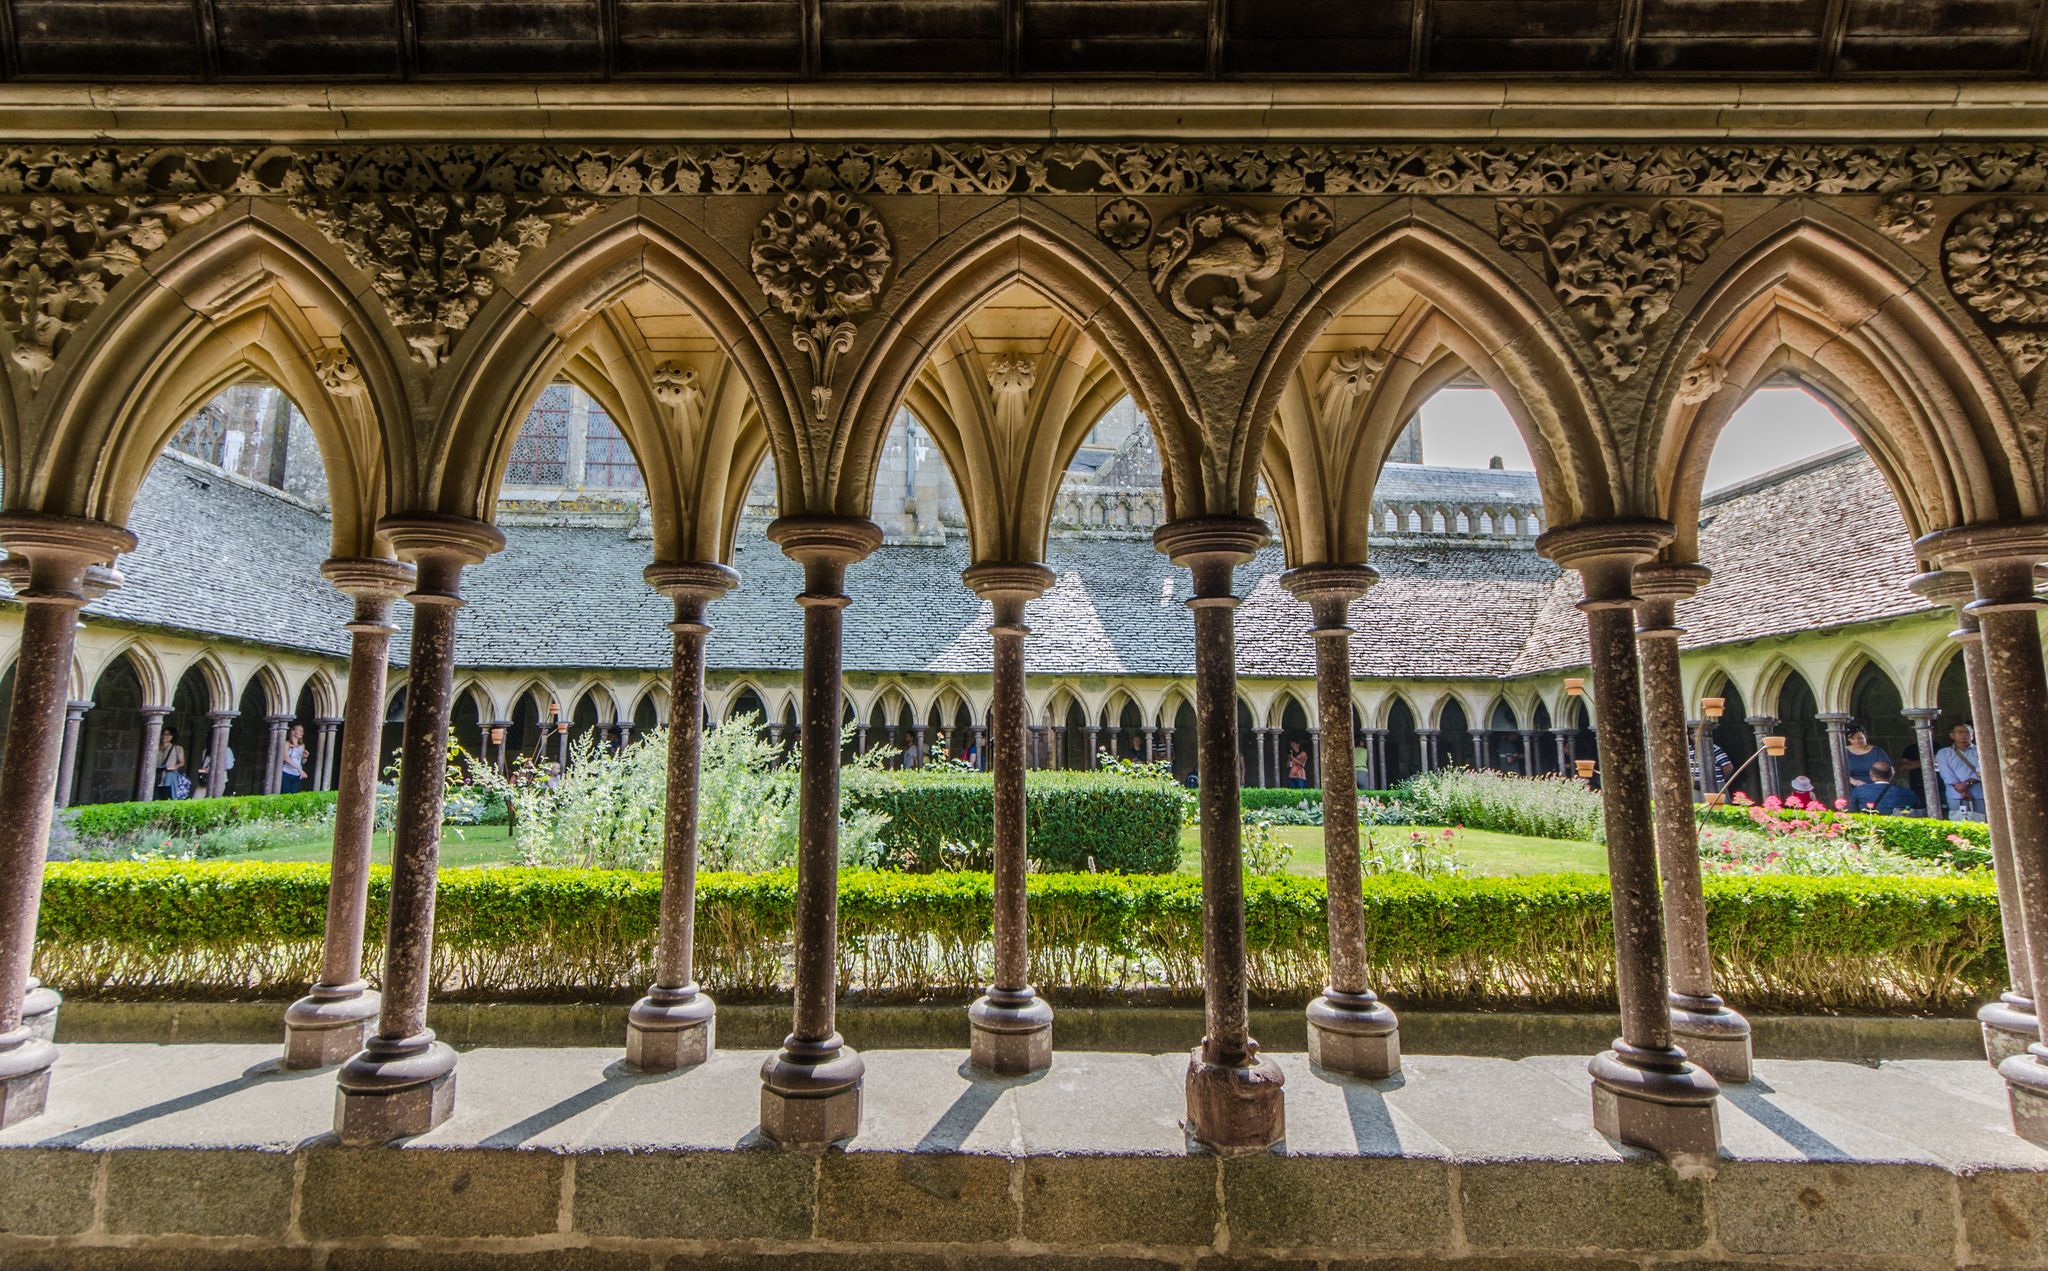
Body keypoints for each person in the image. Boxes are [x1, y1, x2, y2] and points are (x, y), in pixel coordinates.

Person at [1935, 724, 1984, 821]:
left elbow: (1981, 772)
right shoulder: (1943, 753)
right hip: (1955, 795)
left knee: (1981, 820)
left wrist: (1967, 784)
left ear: (1973, 734)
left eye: (1968, 732)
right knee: (1958, 822)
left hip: (1978, 793)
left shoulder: (1980, 751)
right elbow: (1946, 774)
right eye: (1960, 732)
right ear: (1952, 735)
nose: (1964, 735)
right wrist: (1962, 789)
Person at [1852, 760, 1920, 815]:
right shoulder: (1908, 793)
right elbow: (1916, 809)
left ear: (1872, 776)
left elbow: (1852, 810)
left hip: (1871, 828)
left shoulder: (1859, 791)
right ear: (1891, 776)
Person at [1844, 726, 1889, 794]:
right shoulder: (1843, 751)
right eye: (1853, 738)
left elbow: (1889, 770)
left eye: (1860, 738)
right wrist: (1855, 782)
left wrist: (1881, 785)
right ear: (1848, 739)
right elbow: (1840, 771)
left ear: (1865, 736)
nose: (1857, 741)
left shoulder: (1877, 751)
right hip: (1852, 788)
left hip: (1876, 788)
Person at [157, 726, 189, 800]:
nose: (164, 736)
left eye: (167, 734)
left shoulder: (177, 748)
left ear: (173, 736)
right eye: (163, 734)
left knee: (168, 796)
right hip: (157, 774)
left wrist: (173, 767)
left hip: (169, 775)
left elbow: (182, 762)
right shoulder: (156, 747)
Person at [280, 721, 309, 794]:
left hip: (297, 775)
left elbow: (301, 762)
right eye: (299, 730)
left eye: (302, 731)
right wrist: (300, 770)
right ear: (293, 731)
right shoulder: (287, 743)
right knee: (285, 795)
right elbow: (285, 758)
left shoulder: (302, 745)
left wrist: (305, 757)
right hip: (287, 773)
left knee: (294, 796)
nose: (302, 733)